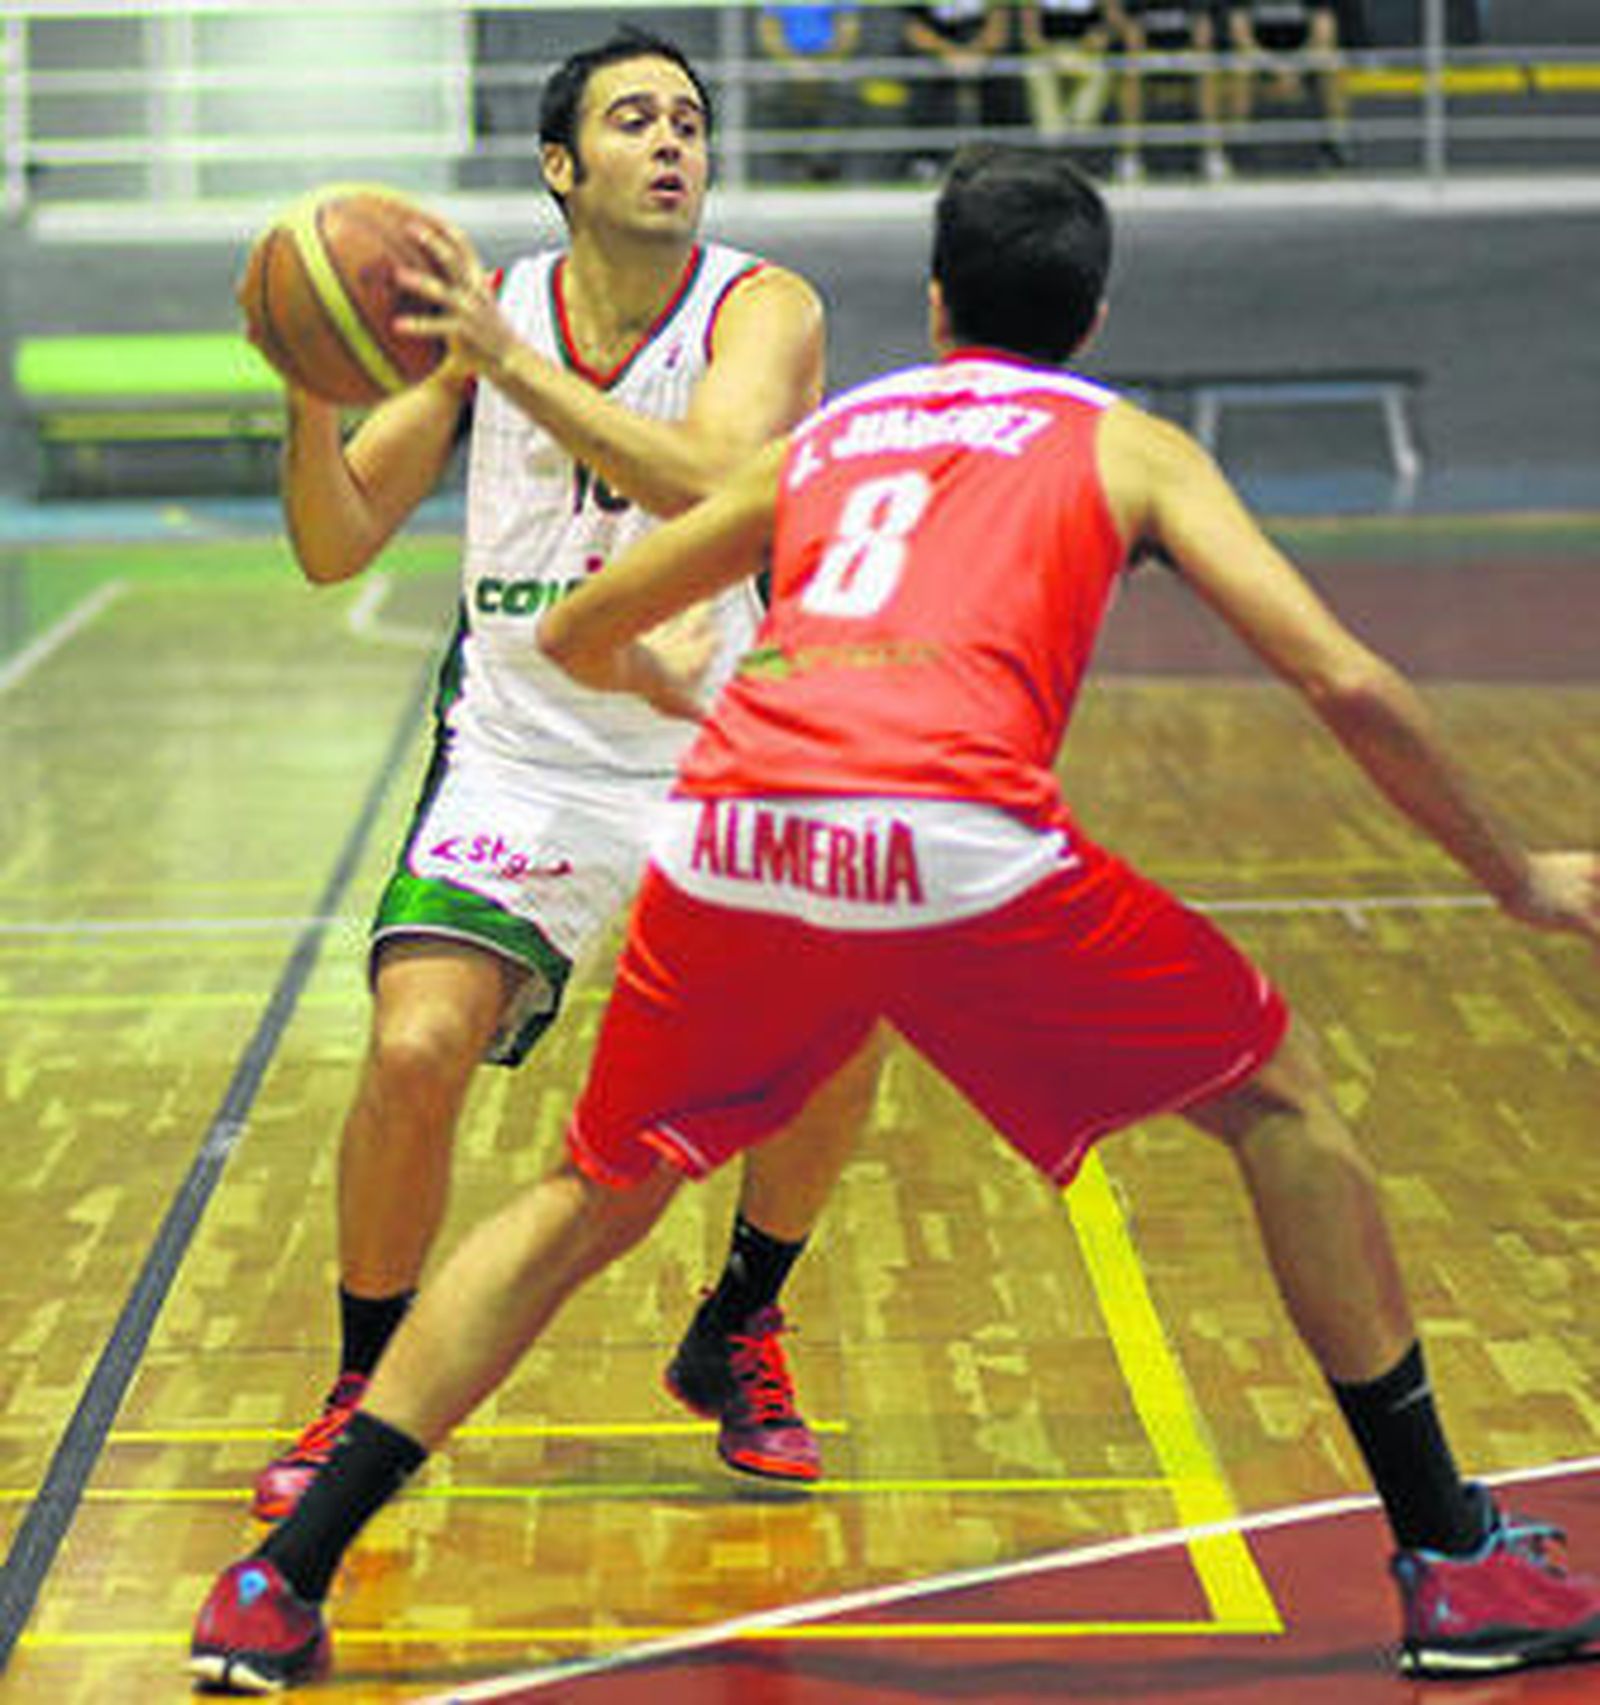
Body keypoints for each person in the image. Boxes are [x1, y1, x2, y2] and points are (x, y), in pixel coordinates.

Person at [191, 143, 1600, 1693]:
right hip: (946, 834)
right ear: (1096, 306)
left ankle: (279, 1578)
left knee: (589, 1193)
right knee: (1279, 1101)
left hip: (730, 827)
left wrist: (666, 681)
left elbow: (590, 622)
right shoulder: (1126, 444)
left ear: (935, 305)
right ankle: (1454, 1558)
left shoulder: (839, 433)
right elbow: (1345, 680)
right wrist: (1516, 874)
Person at [244, 27, 880, 1525]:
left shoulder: (761, 308)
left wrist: (503, 365)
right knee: (412, 1053)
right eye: (634, 121)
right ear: (560, 167)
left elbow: (720, 487)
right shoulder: (499, 322)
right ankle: (365, 1384)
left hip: (719, 754)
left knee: (844, 1023)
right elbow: (333, 541)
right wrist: (308, 383)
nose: (672, 142)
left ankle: (741, 1322)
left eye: (689, 121)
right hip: (526, 755)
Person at [1225, 0, 1350, 166]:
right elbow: (1241, 37)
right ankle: (1237, 145)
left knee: (1333, 62)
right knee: (1240, 67)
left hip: (1302, 59)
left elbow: (1324, 34)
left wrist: (1296, 68)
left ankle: (1336, 139)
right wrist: (1275, 68)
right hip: (1260, 61)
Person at [1120, 0, 1231, 180]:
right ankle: (1130, 155)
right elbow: (1133, 37)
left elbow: (1203, 36)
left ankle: (1212, 151)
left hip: (1187, 55)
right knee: (1130, 73)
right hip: (1150, 57)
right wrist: (1146, 57)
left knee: (1207, 70)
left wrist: (1191, 55)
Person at [899, 0, 1012, 178]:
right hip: (936, 55)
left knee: (1004, 81)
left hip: (983, 53)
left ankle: (999, 159)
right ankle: (927, 162)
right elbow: (913, 29)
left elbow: (999, 24)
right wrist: (948, 53)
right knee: (926, 86)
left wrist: (978, 52)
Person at [755, 3, 863, 183]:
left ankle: (823, 164)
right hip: (785, 64)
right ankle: (783, 167)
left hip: (831, 62)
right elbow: (769, 34)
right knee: (766, 95)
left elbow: (848, 32)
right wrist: (795, 65)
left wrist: (824, 64)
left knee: (846, 93)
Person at [1019, 0, 1135, 156]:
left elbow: (1112, 22)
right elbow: (1030, 35)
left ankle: (1078, 135)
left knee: (1100, 73)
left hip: (1085, 52)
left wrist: (1101, 37)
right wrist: (1049, 53)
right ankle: (1052, 140)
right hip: (1047, 53)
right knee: (1035, 71)